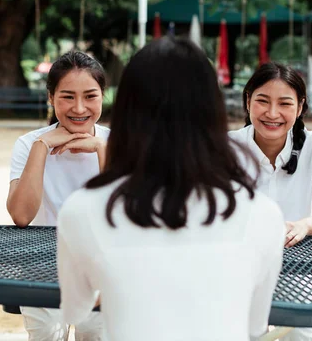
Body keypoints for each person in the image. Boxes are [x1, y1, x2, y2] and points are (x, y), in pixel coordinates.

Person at [57, 37, 286, 341]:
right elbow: (254, 324)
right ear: (213, 112)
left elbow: (76, 310)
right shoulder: (263, 214)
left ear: (126, 111)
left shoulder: (82, 209)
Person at [229, 61, 312, 341]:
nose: (272, 113)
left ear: (300, 107)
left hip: (299, 267)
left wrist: (305, 225)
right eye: (262, 101)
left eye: (285, 103)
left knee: (300, 334)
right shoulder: (226, 147)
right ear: (248, 101)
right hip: (239, 266)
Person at [7, 50, 108, 341]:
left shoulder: (118, 142)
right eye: (67, 96)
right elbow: (22, 216)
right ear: (51, 97)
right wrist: (42, 146)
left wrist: (102, 150)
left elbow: (120, 218)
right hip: (39, 264)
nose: (79, 108)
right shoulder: (28, 144)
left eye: (90, 96)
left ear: (103, 96)